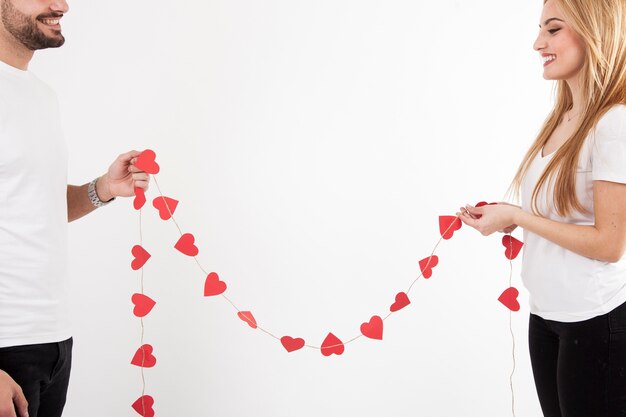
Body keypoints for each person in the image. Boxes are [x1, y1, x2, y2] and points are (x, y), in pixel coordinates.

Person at [459, 0, 626, 416]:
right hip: (546, 317)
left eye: (553, 30)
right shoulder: (563, 117)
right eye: (540, 29)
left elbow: (609, 244)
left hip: (595, 323)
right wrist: (508, 212)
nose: (538, 43)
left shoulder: (614, 124)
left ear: (594, 32)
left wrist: (517, 217)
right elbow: (562, 213)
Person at [0, 1, 149, 416]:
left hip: (51, 340)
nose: (62, 5)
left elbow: (32, 204)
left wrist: (103, 188)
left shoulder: (41, 96)